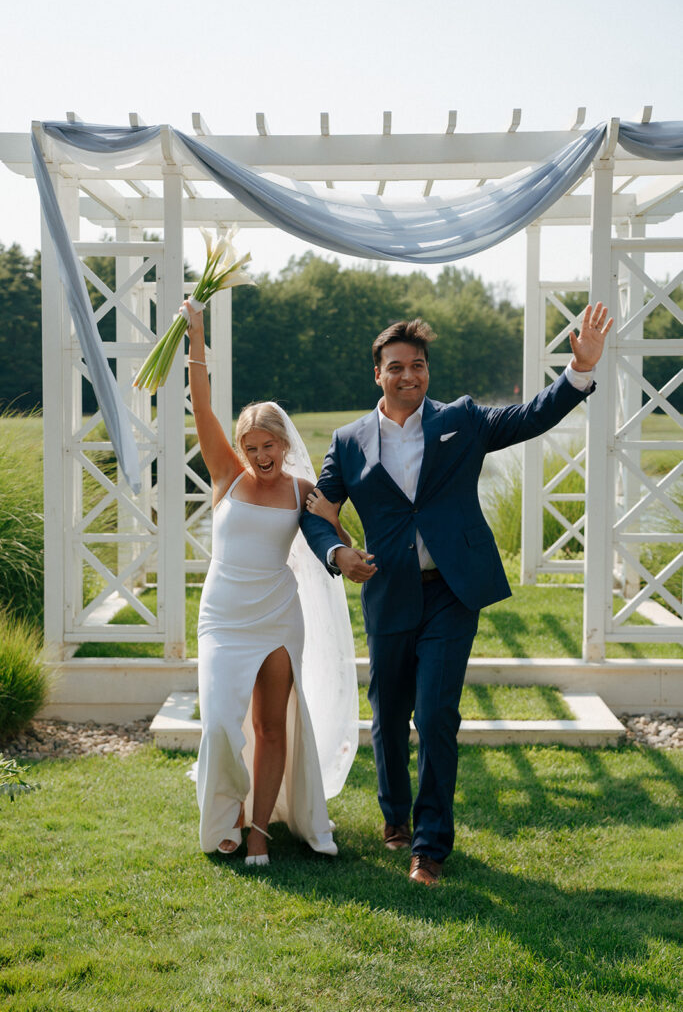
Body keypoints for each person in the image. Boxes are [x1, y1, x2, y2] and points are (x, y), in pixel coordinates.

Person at [300, 302, 613, 886]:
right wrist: (336, 552)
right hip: (388, 592)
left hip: (452, 591)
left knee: (437, 712)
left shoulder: (462, 420)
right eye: (396, 366)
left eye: (418, 366)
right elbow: (318, 511)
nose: (408, 376)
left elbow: (530, 416)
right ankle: (395, 817)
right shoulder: (347, 441)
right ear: (378, 374)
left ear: (427, 371)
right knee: (388, 715)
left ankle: (429, 846)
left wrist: (578, 372)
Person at [183, 302, 357, 865]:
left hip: (280, 613)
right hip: (224, 616)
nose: (260, 457)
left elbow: (334, 533)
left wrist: (354, 554)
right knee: (218, 722)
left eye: (269, 446)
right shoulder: (226, 475)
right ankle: (227, 810)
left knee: (272, 723)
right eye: (251, 447)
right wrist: (197, 334)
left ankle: (259, 828)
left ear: (284, 443)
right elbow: (202, 404)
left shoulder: (302, 487)